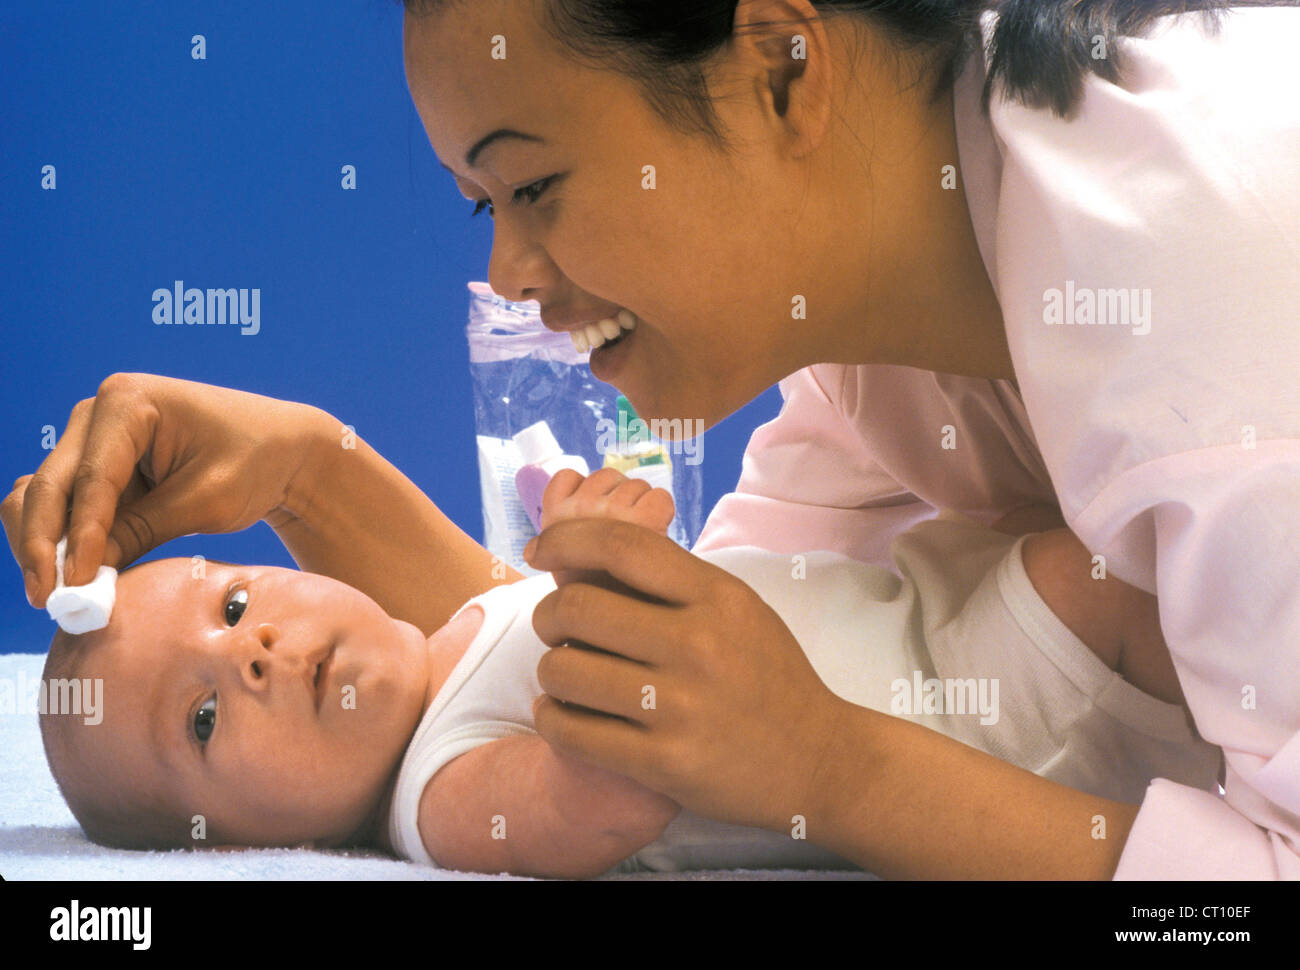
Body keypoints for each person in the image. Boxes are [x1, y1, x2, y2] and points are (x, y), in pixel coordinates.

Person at [8, 0, 1300, 878]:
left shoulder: (1201, 341)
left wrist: (841, 770)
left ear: (784, 64)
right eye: (481, 212)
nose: (510, 273)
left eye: (534, 185)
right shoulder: (868, 353)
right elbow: (690, 658)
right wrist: (310, 466)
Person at [35, 466, 1215, 877]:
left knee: (1165, 550)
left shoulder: (466, 625)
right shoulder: (435, 800)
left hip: (946, 608)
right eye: (198, 720)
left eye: (235, 604)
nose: (247, 652)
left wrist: (590, 546)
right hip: (999, 712)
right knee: (1155, 577)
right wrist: (618, 584)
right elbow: (608, 785)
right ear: (237, 848)